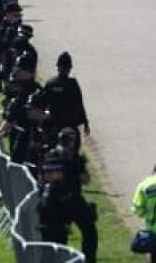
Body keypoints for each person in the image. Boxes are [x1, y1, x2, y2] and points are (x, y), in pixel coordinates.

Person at [38, 128, 98, 263]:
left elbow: (43, 178)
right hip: (72, 200)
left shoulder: (49, 155)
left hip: (51, 202)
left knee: (58, 239)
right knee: (89, 230)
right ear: (72, 141)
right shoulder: (74, 157)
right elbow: (86, 180)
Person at [41, 52, 90, 137]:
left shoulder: (51, 83)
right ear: (69, 69)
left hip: (54, 125)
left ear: (58, 67)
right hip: (69, 125)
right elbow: (79, 104)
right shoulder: (72, 84)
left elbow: (43, 103)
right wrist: (85, 123)